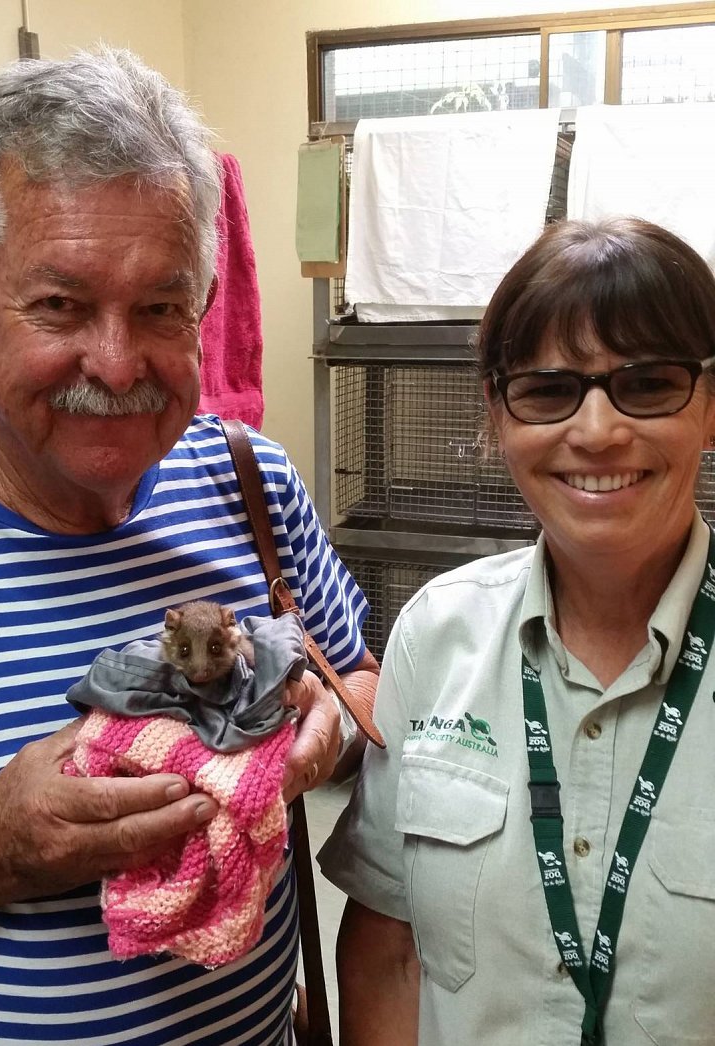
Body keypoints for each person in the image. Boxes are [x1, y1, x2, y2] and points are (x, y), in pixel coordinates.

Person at [0, 48, 378, 1046]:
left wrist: (327, 735)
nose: (117, 360)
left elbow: (354, 675)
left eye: (161, 307)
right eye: (58, 304)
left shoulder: (251, 480)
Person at [320, 216, 715, 1046]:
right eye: (547, 390)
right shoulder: (436, 636)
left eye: (647, 385)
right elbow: (389, 948)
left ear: (709, 408)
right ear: (499, 418)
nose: (599, 430)